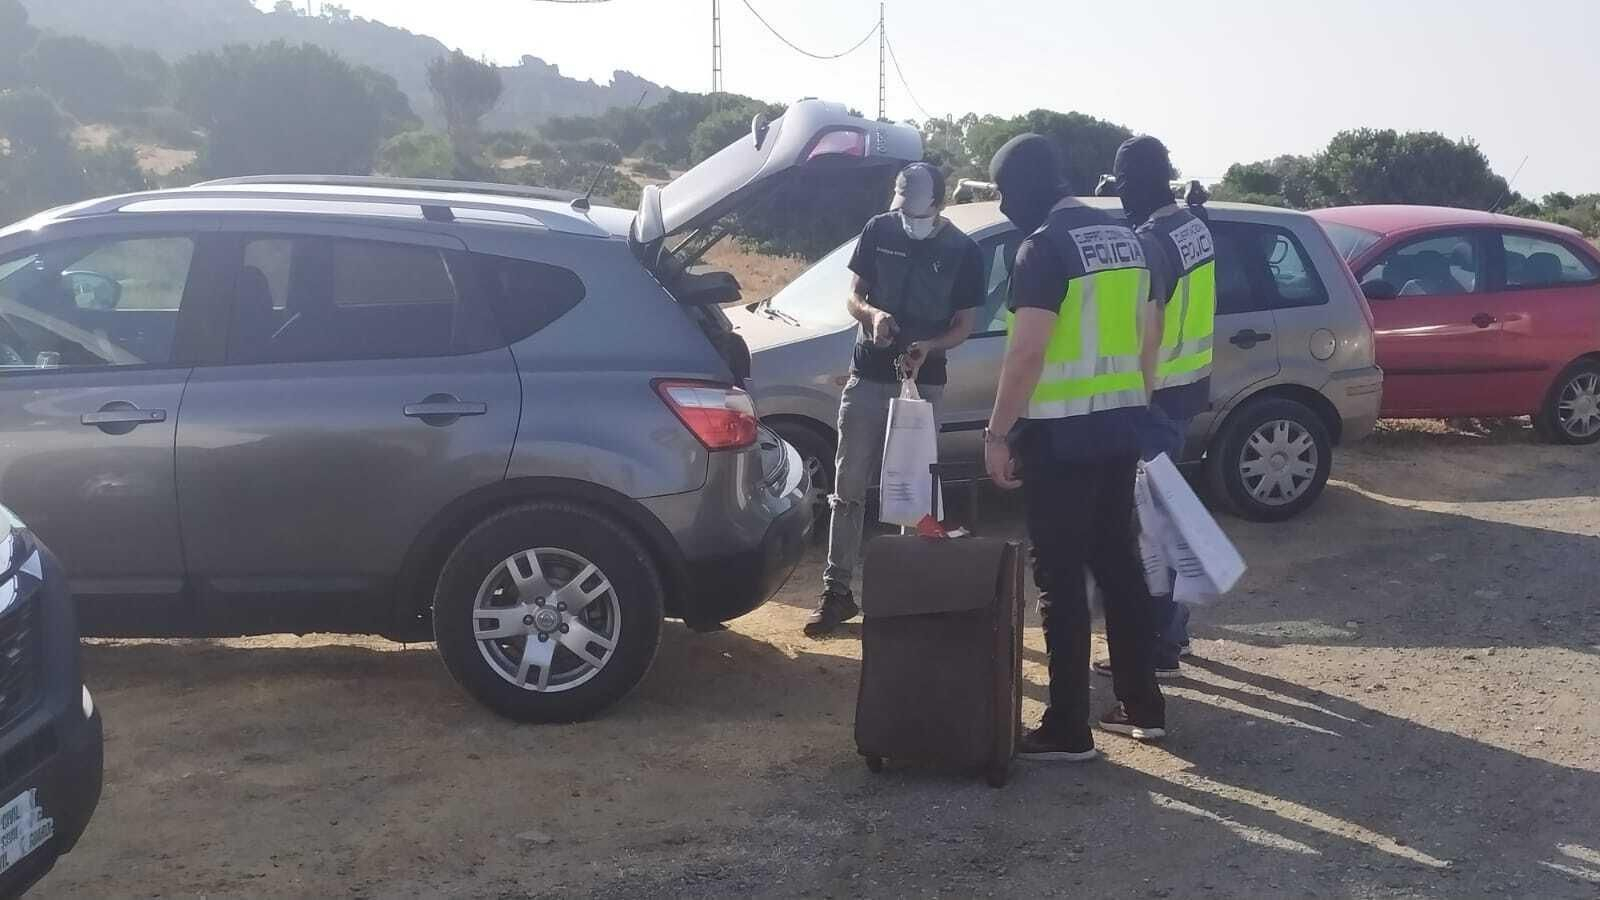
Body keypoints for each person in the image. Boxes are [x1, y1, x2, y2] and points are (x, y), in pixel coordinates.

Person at [982, 133, 1167, 760]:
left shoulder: (1044, 248)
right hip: (1119, 425)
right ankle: (1144, 705)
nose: (1005, 203)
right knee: (1120, 567)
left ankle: (1068, 727)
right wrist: (1137, 408)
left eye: (1006, 190)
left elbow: (1028, 349)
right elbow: (1149, 340)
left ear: (1031, 183)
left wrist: (998, 431)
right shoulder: (1128, 240)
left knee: (1060, 581)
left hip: (1060, 435)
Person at [805, 162, 985, 637]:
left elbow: (964, 325)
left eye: (914, 206)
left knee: (913, 491)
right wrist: (872, 315)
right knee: (848, 486)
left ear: (937, 204)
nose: (905, 215)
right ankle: (837, 591)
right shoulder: (878, 229)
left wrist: (929, 347)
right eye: (900, 204)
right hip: (868, 375)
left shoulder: (962, 250)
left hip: (924, 383)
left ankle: (904, 601)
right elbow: (853, 295)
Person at [1091, 135, 1217, 680]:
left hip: (1153, 398)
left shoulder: (1152, 241)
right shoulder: (1193, 226)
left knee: (1150, 529)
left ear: (1134, 185)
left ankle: (1158, 648)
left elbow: (1148, 329)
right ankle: (1174, 634)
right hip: (1187, 389)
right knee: (1167, 517)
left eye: (1122, 187)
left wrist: (1130, 406)